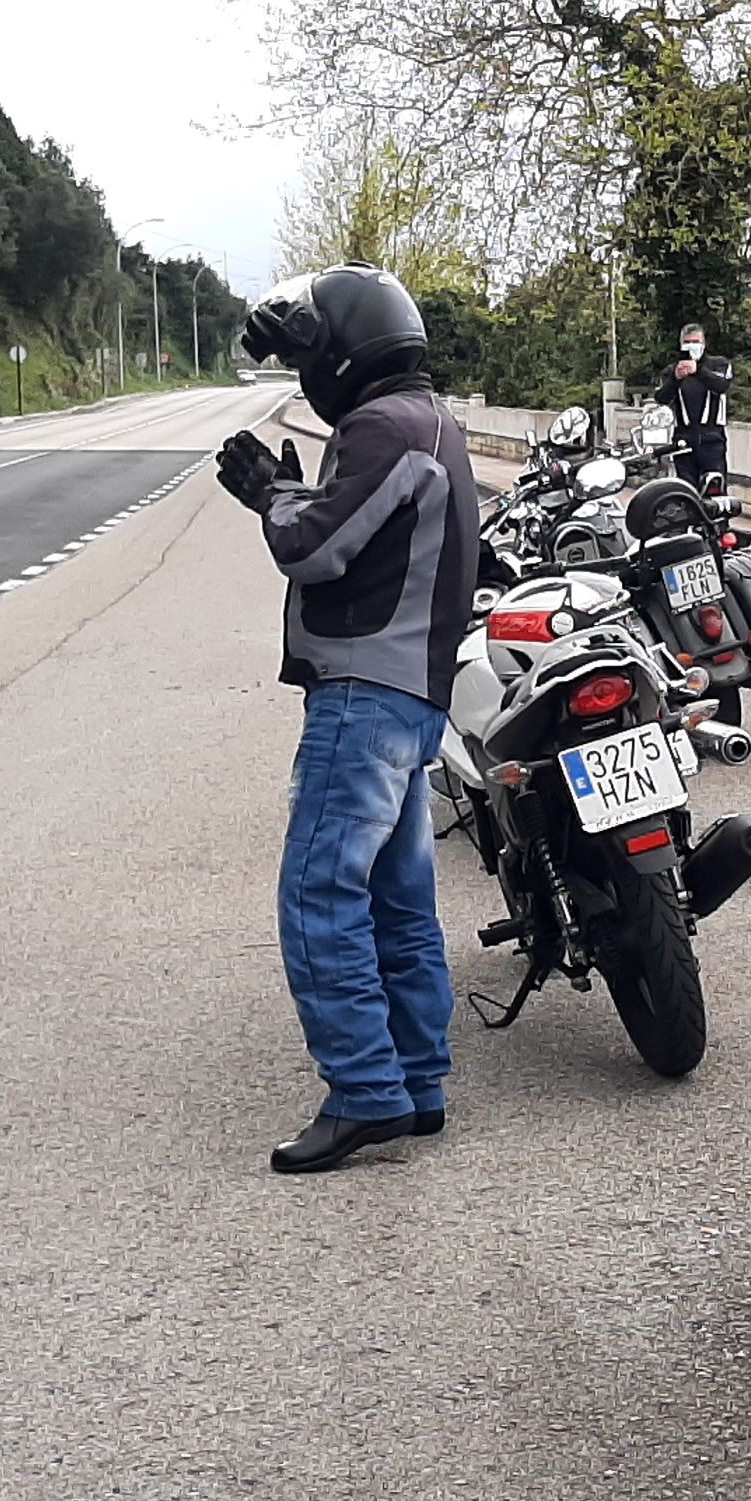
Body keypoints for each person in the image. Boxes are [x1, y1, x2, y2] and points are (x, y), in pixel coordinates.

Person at [216, 263, 484, 1173]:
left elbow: (313, 546)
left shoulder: (382, 427)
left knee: (318, 896)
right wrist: (296, 495)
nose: (306, 376)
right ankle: (419, 1081)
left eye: (309, 358)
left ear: (342, 351)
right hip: (413, 698)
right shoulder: (435, 421)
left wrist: (273, 496)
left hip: (363, 696)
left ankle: (366, 1091)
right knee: (398, 901)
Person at [648, 324, 732, 489]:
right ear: (681, 345)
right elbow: (662, 398)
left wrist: (698, 370)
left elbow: (722, 385)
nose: (692, 346)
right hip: (683, 442)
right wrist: (675, 379)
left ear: (704, 343)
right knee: (686, 492)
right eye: (687, 342)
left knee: (715, 490)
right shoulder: (672, 371)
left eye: (696, 342)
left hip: (712, 441)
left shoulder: (719, 364)